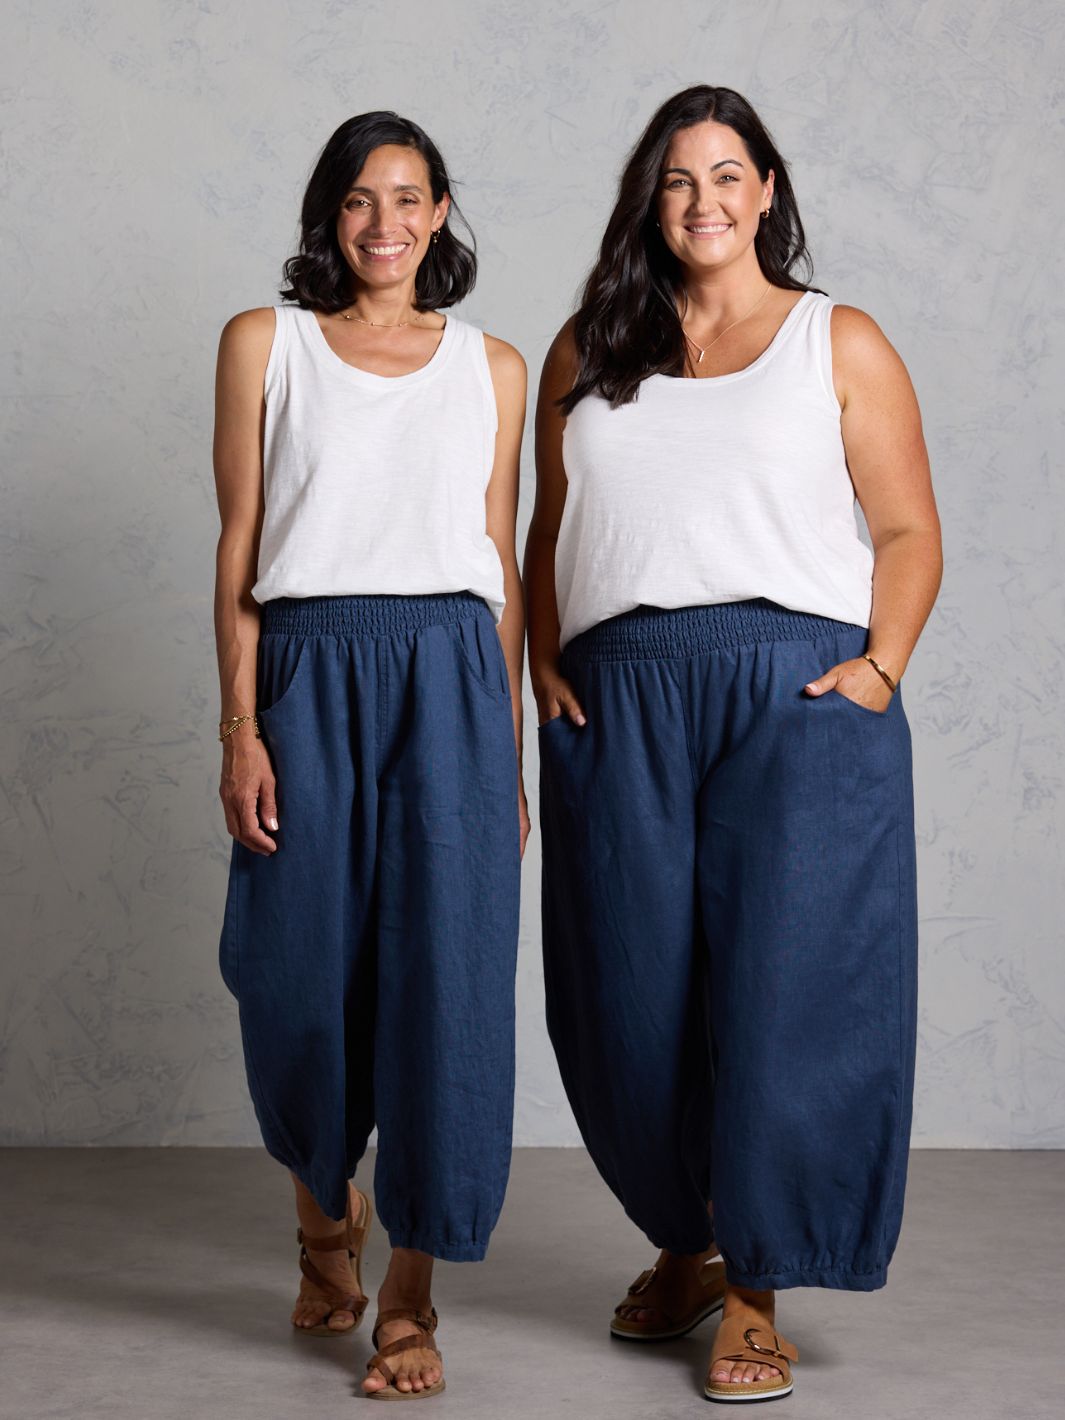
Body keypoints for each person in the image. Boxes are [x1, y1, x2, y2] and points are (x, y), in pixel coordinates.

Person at [524, 83, 942, 1404]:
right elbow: (543, 535)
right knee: (626, 995)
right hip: (618, 693)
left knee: (785, 996)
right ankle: (688, 1242)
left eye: (725, 176)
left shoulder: (839, 340)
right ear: (648, 202)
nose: (701, 202)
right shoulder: (585, 346)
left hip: (793, 692)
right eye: (674, 181)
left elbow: (906, 532)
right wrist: (539, 664)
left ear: (765, 190)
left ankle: (755, 1288)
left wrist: (877, 670)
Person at [213, 110, 528, 1400]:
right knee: (294, 973)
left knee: (449, 987)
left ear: (440, 214)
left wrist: (502, 756)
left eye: (407, 199)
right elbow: (239, 549)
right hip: (306, 668)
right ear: (329, 217)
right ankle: (321, 1229)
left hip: (451, 682)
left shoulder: (494, 368)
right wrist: (239, 728)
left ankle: (409, 1300)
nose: (383, 224)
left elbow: (500, 573)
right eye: (358, 200)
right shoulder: (264, 345)